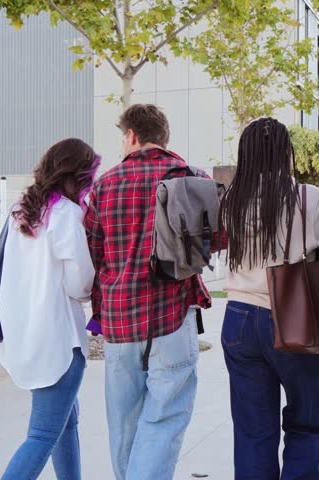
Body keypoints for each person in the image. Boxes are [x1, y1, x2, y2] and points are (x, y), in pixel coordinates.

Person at [84, 104, 212, 479]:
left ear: (131, 136)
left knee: (124, 423)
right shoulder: (194, 178)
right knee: (165, 418)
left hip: (121, 318)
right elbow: (215, 241)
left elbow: (93, 253)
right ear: (164, 136)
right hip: (173, 313)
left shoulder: (104, 186)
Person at [219, 118, 319, 480]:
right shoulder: (308, 198)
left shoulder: (232, 201)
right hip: (294, 315)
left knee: (252, 430)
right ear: (285, 153)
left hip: (238, 317)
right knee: (304, 422)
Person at [0, 138, 100, 480]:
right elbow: (80, 284)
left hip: (24, 335)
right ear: (79, 175)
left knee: (65, 423)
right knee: (43, 434)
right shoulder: (67, 215)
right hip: (59, 340)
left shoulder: (18, 211)